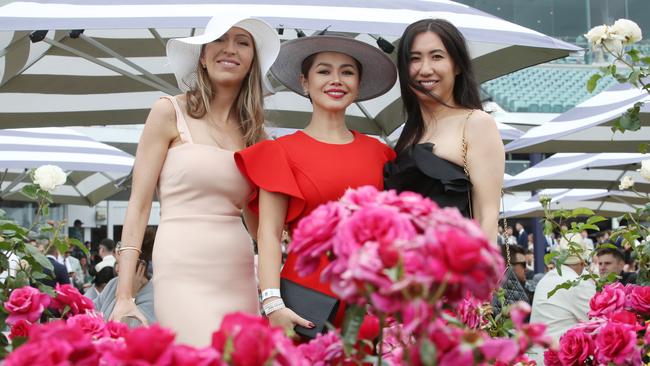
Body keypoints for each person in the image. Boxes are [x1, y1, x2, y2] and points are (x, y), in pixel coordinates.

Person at [109, 13, 280, 346]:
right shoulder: (168, 111)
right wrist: (124, 293)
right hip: (180, 265)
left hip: (238, 269)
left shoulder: (258, 137)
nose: (230, 49)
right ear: (202, 56)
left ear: (251, 63)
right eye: (219, 39)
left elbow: (261, 225)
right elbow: (140, 204)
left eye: (242, 42)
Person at [235, 35, 397, 334]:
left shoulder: (381, 153)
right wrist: (273, 305)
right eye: (324, 71)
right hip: (303, 301)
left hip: (369, 300)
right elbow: (268, 233)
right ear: (305, 82)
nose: (336, 80)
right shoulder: (279, 151)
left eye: (347, 71)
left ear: (358, 84)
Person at [383, 18, 504, 241]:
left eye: (437, 57)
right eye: (414, 59)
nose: (425, 69)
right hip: (406, 270)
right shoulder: (408, 134)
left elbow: (487, 216)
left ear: (457, 65)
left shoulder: (476, 123)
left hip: (457, 268)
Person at [528, 252, 596, 363]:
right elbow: (596, 321)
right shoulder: (578, 282)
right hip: (558, 358)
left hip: (536, 357)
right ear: (583, 263)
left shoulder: (545, 278)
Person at [95, 227, 156, 326]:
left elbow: (121, 330)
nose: (117, 269)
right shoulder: (114, 283)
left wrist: (130, 296)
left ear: (140, 265)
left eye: (119, 264)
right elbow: (91, 309)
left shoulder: (152, 297)